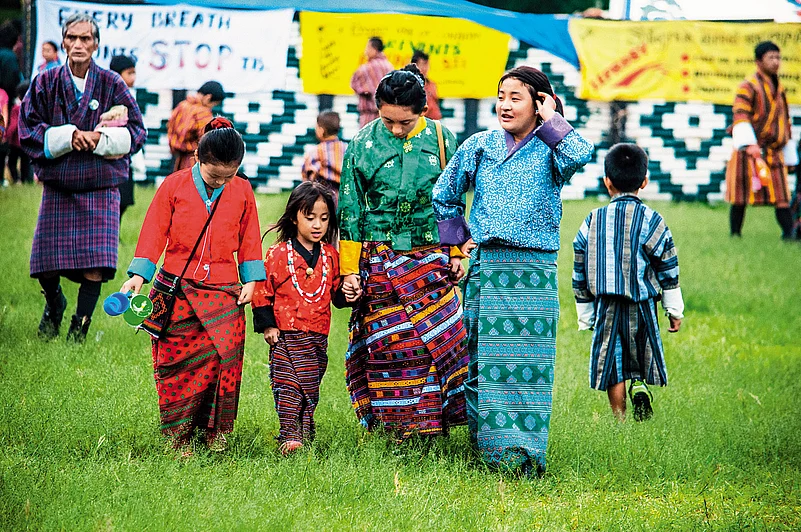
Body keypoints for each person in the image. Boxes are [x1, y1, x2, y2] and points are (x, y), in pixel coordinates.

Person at [432, 66, 594, 476]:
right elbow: (444, 195)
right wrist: (458, 241)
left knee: (531, 369)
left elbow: (581, 154)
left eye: (516, 97)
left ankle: (527, 457)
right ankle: (490, 454)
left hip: (535, 272)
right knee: (486, 364)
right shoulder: (480, 145)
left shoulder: (552, 149)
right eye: (501, 95)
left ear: (539, 103)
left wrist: (553, 117)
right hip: (489, 269)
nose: (504, 104)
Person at [338, 63, 469, 441]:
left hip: (431, 260)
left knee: (436, 345)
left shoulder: (445, 140)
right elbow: (350, 209)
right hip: (378, 262)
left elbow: (451, 201)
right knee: (389, 345)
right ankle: (394, 431)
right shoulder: (361, 144)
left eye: (405, 123)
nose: (395, 130)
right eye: (388, 121)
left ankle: (430, 428)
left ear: (424, 111)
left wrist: (457, 252)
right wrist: (349, 271)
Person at [121, 118, 266, 455]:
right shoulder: (173, 186)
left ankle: (217, 434)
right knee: (176, 364)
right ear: (197, 159)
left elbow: (248, 236)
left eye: (229, 175)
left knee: (225, 359)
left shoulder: (242, 189)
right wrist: (139, 276)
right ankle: (178, 437)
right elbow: (154, 231)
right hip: (176, 288)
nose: (222, 182)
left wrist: (253, 279)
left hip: (225, 288)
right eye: (215, 175)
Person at [19, 14, 146, 343]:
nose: (78, 44)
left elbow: (136, 131)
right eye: (71, 38)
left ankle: (80, 328)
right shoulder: (45, 82)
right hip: (60, 186)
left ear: (96, 44)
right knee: (45, 264)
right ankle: (55, 302)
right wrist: (69, 135)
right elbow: (27, 130)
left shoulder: (111, 83)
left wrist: (101, 140)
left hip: (100, 185)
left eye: (85, 39)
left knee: (95, 265)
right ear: (63, 42)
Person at [572, 143, 684, 422]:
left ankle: (619, 419)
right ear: (644, 181)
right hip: (643, 303)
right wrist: (674, 310)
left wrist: (585, 314)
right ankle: (640, 385)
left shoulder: (592, 220)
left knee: (612, 362)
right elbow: (668, 267)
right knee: (640, 352)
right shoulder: (653, 220)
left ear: (606, 182)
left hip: (606, 304)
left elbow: (579, 267)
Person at [252, 181, 352, 455]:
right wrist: (267, 324)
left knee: (310, 386)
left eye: (324, 218)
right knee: (287, 385)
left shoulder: (331, 256)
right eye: (310, 218)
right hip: (285, 335)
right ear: (294, 216)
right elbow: (263, 289)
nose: (317, 225)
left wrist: (350, 292)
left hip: (317, 336)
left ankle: (303, 428)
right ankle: (288, 434)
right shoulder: (277, 254)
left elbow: (335, 293)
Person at [726, 41, 798, 240]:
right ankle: (735, 235)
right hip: (750, 150)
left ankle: (789, 234)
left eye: (778, 57)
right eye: (771, 58)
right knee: (740, 195)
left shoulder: (779, 88)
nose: (776, 62)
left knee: (782, 195)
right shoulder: (747, 86)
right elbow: (740, 115)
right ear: (759, 62)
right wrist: (750, 145)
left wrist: (790, 154)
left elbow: (784, 121)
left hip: (774, 151)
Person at [109, 54, 144, 218]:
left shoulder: (131, 94)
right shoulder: (109, 93)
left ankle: (116, 232)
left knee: (125, 198)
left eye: (134, 73)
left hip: (127, 151)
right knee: (115, 197)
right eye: (129, 73)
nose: (134, 77)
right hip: (112, 152)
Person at [167, 81, 225, 172]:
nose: (211, 108)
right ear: (208, 97)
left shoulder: (182, 105)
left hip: (177, 159)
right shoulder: (203, 112)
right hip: (194, 160)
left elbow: (170, 127)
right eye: (213, 104)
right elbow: (207, 138)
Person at [301, 111, 348, 201]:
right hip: (346, 199)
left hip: (323, 200)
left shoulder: (316, 152)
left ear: (321, 130)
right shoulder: (347, 149)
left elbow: (306, 176)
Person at [350, 37, 394, 128]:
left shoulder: (365, 69)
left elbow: (354, 83)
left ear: (374, 49)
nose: (365, 51)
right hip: (387, 117)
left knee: (366, 140)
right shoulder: (390, 67)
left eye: (367, 48)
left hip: (369, 115)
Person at [6, 80, 32, 184]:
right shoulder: (31, 107)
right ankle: (25, 179)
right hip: (28, 140)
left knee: (12, 161)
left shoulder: (17, 108)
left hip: (16, 141)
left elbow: (13, 124)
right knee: (25, 162)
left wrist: (7, 135)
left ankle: (16, 179)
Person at [411, 50, 442, 120]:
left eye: (426, 64)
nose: (424, 68)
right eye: (422, 64)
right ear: (414, 65)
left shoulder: (432, 84)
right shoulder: (411, 86)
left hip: (434, 122)